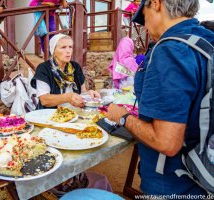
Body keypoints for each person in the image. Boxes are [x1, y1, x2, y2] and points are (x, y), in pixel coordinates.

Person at [106, 0, 214, 196]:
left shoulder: (169, 50)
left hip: (172, 182)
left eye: (144, 17)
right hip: (202, 168)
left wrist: (122, 116)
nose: (145, 26)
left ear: (156, 3)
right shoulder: (206, 40)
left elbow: (166, 142)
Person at [31, 33, 100, 109]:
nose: (68, 51)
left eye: (70, 47)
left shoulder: (75, 67)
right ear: (53, 51)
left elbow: (82, 92)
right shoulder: (44, 68)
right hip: (50, 115)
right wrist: (67, 97)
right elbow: (44, 100)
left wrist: (89, 94)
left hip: (72, 113)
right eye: (63, 47)